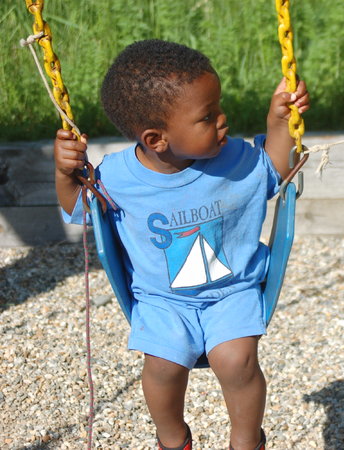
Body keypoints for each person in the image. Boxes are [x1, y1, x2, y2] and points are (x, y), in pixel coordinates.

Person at [54, 39, 309, 450]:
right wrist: (66, 174)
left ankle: (246, 440)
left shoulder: (236, 160)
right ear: (156, 139)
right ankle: (173, 439)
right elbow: (81, 210)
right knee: (162, 367)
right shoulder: (117, 178)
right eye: (208, 117)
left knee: (237, 361)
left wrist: (279, 122)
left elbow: (275, 171)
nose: (223, 120)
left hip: (233, 291)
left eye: (219, 107)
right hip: (162, 300)